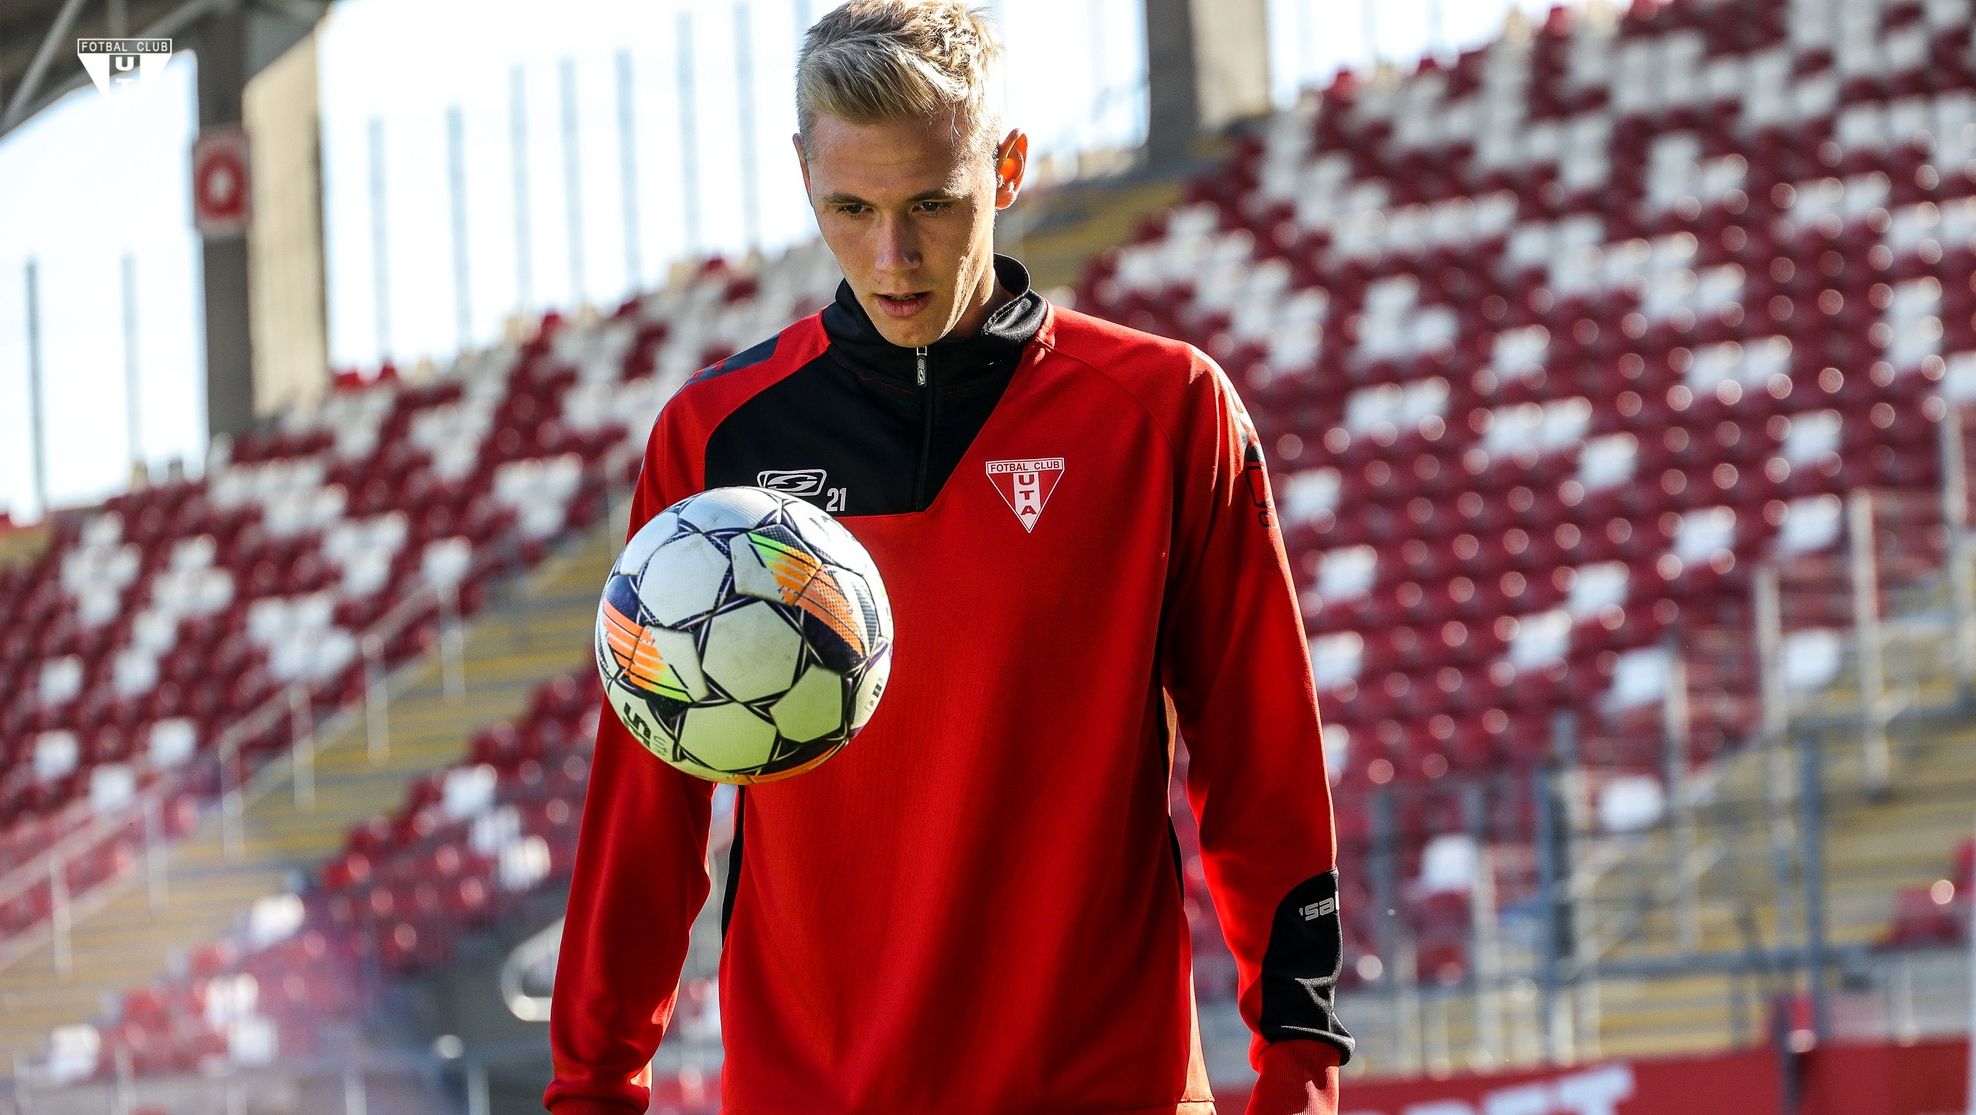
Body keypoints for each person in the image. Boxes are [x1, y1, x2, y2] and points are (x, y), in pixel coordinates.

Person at [544, 2, 1352, 1112]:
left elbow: (1263, 760)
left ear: (1006, 168)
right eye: (852, 208)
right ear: (804, 177)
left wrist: (1300, 1066)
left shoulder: (1163, 413)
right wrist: (593, 1085)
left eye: (931, 202)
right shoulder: (716, 440)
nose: (894, 257)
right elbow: (645, 798)